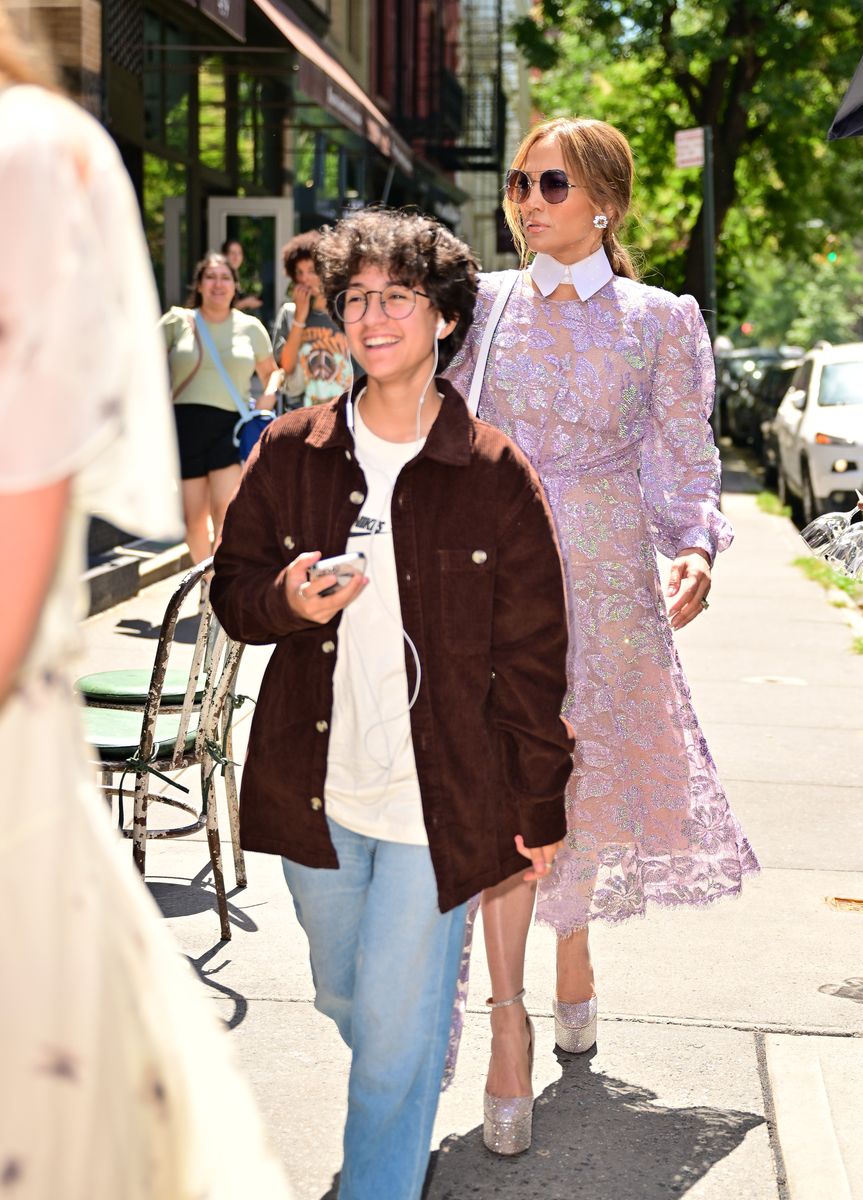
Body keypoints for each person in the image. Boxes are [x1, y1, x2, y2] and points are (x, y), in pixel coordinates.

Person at [210, 208, 574, 1198]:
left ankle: (382, 1169)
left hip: (441, 801)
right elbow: (232, 591)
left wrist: (539, 801)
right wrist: (283, 596)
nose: (372, 317)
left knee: (391, 1043)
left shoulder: (494, 472)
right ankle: (406, 1075)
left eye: (396, 298)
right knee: (353, 999)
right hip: (315, 790)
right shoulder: (293, 450)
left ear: (444, 318)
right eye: (356, 298)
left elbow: (538, 656)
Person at [0, 13, 292, 1195]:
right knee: (198, 524)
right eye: (214, 269)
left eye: (224, 269)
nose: (217, 276)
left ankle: (215, 594)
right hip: (179, 428)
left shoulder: (30, 157)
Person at [446, 116, 760, 1151]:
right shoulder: (480, 308)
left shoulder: (660, 320)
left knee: (572, 779)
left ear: (601, 203)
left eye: (547, 184)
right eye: (518, 184)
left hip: (608, 586)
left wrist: (697, 549)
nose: (525, 201)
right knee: (498, 779)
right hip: (494, 579)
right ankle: (507, 1019)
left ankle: (570, 943)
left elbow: (682, 462)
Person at [161, 252, 280, 564]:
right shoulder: (177, 322)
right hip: (185, 427)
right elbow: (143, 362)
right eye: (210, 277)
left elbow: (273, 372)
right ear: (199, 284)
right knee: (192, 520)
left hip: (231, 428)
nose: (218, 284)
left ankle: (215, 592)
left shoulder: (250, 327)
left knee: (224, 514)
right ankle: (207, 579)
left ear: (235, 285)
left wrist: (268, 395)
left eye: (225, 277)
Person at [271, 230, 355, 409]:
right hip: (300, 411)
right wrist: (300, 318)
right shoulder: (289, 313)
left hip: (343, 412)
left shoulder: (347, 312)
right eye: (299, 272)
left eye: (311, 271)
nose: (304, 279)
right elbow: (286, 366)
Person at [221, 237, 263, 312]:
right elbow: (221, 308)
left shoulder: (236, 276)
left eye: (239, 253)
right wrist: (246, 303)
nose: (236, 257)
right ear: (224, 255)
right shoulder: (221, 277)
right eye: (232, 253)